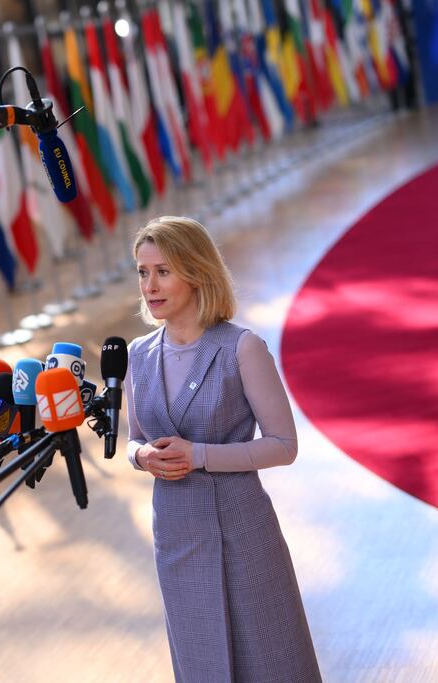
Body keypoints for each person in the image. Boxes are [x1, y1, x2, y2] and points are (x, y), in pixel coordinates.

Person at [125, 216, 321, 682]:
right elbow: (133, 437)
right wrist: (141, 457)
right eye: (142, 272)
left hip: (243, 531)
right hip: (176, 533)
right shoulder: (137, 354)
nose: (150, 286)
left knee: (272, 660)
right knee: (201, 665)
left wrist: (200, 455)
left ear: (196, 272)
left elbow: (283, 445)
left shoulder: (242, 348)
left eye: (163, 271)